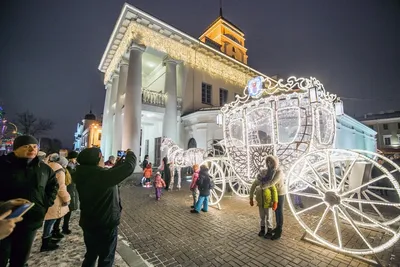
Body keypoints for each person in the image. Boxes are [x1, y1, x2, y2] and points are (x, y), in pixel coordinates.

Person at [0, 135, 59, 267]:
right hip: (4, 221)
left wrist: (45, 204)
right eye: (26, 146)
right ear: (15, 149)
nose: (31, 149)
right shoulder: (3, 165)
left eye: (34, 146)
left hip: (30, 221)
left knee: (20, 259)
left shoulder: (43, 168)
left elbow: (53, 185)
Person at [73, 147, 136, 267]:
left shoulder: (84, 173)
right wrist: (130, 154)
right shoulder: (100, 176)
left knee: (91, 254)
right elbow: (129, 167)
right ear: (96, 160)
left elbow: (108, 176)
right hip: (105, 223)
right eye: (101, 157)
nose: (103, 159)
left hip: (89, 222)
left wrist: (117, 165)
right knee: (106, 258)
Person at [41, 154, 71, 252]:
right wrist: (67, 198)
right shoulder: (59, 171)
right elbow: (61, 187)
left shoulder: (48, 166)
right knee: (51, 221)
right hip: (55, 199)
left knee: (50, 220)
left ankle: (47, 239)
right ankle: (46, 243)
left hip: (47, 197)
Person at [253, 155, 285, 240]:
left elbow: (271, 182)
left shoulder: (279, 172)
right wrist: (259, 177)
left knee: (279, 212)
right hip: (272, 193)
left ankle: (279, 231)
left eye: (271, 162)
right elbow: (264, 177)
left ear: (275, 162)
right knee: (273, 212)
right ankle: (276, 228)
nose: (269, 163)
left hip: (280, 193)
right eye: (268, 162)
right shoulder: (269, 171)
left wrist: (262, 186)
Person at [249, 165, 278, 239]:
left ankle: (269, 231)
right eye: (262, 173)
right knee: (262, 217)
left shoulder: (269, 182)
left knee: (269, 218)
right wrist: (251, 198)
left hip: (268, 204)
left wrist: (275, 202)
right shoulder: (257, 181)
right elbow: (252, 189)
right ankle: (262, 230)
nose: (263, 175)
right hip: (260, 203)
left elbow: (274, 191)